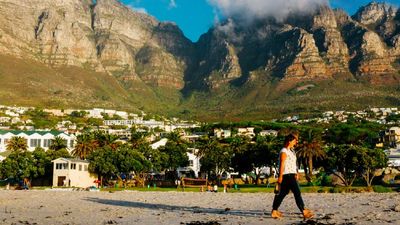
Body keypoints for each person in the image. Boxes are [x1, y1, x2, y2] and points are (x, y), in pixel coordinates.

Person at [271, 133, 313, 220]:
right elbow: (282, 164)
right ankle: (304, 211)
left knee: (282, 193)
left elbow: (293, 164)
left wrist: (296, 173)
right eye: (295, 140)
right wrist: (280, 176)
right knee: (297, 193)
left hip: (291, 174)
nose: (296, 142)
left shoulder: (291, 151)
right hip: (287, 175)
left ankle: (274, 211)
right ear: (289, 141)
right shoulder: (284, 151)